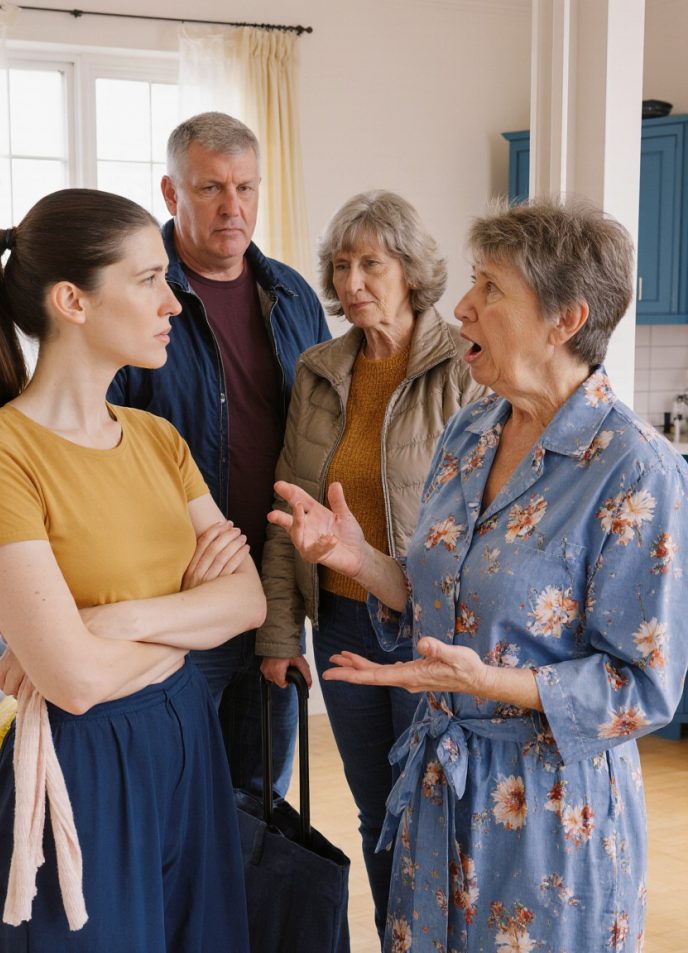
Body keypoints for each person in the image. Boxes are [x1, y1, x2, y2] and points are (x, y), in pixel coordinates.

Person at [269, 198, 688, 953]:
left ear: (564, 318)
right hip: (440, 792)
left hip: (549, 817)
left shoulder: (636, 469)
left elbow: (644, 687)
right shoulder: (470, 429)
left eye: (490, 289)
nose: (462, 307)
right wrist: (355, 558)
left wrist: (490, 683)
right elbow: (441, 594)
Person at [0, 188, 266, 952]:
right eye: (148, 279)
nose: (174, 305)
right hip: (84, 761)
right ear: (72, 302)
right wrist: (189, 610)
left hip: (188, 733)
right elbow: (75, 683)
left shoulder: (159, 438)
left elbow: (248, 598)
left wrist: (113, 621)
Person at [257, 190, 486, 936]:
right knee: (375, 809)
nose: (352, 281)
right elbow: (293, 510)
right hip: (345, 624)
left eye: (371, 264)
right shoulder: (319, 369)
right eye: (342, 264)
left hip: (431, 626)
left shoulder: (463, 366)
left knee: (439, 808)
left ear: (412, 273)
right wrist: (279, 632)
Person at [108, 111, 330, 798]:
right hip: (176, 595)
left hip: (270, 599)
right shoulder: (139, 296)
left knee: (263, 805)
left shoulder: (292, 296)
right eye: (211, 188)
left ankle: (247, 915)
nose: (233, 207)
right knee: (174, 800)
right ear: (171, 194)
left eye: (246, 187)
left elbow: (322, 440)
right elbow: (101, 445)